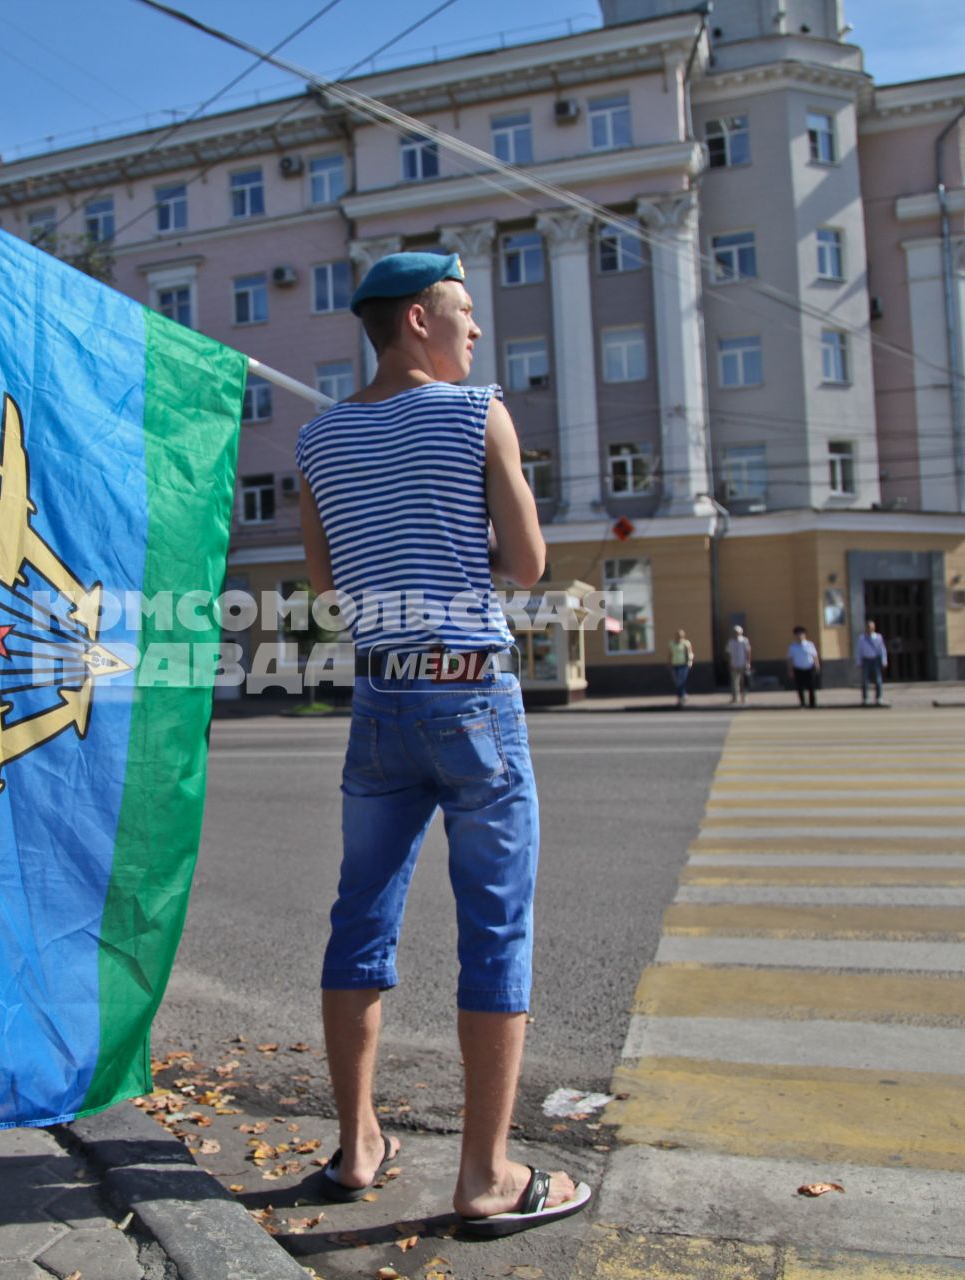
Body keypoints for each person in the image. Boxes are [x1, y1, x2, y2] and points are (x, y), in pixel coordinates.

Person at [295, 251, 590, 1237]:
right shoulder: (477, 412)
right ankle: (487, 1174)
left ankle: (357, 1145)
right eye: (464, 313)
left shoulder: (318, 438)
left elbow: (328, 580)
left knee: (359, 919)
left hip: (380, 696)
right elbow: (531, 562)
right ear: (418, 317)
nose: (475, 333)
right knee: (494, 928)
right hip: (469, 693)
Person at [855, 619, 889, 706]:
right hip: (866, 660)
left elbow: (882, 650)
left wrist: (884, 661)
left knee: (878, 680)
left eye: (871, 627)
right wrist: (859, 662)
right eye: (868, 627)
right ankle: (865, 698)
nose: (869, 628)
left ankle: (879, 698)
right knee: (865, 680)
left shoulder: (878, 637)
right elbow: (859, 650)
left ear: (874, 628)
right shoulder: (862, 638)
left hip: (875, 660)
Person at [787, 625, 820, 708]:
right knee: (800, 688)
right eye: (798, 634)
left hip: (809, 668)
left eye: (801, 634)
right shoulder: (793, 646)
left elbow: (815, 656)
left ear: (804, 635)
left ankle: (812, 704)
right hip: (798, 669)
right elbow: (790, 659)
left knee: (811, 687)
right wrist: (790, 670)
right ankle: (802, 703)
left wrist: (817, 665)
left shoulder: (810, 644)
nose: (800, 636)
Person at [726, 625, 752, 704]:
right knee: (734, 682)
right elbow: (728, 654)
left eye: (737, 632)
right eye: (734, 632)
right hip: (733, 664)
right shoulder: (730, 642)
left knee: (743, 682)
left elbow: (748, 652)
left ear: (741, 632)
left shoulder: (744, 640)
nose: (735, 633)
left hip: (742, 664)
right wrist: (729, 663)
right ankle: (735, 698)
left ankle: (744, 697)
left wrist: (748, 662)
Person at [669, 630, 694, 707]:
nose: (679, 637)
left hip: (683, 665)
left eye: (681, 635)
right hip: (674, 664)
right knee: (677, 682)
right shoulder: (672, 643)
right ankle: (681, 697)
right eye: (678, 635)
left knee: (681, 681)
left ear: (683, 636)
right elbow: (670, 654)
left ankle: (682, 696)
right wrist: (669, 663)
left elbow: (690, 653)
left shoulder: (686, 643)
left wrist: (690, 662)